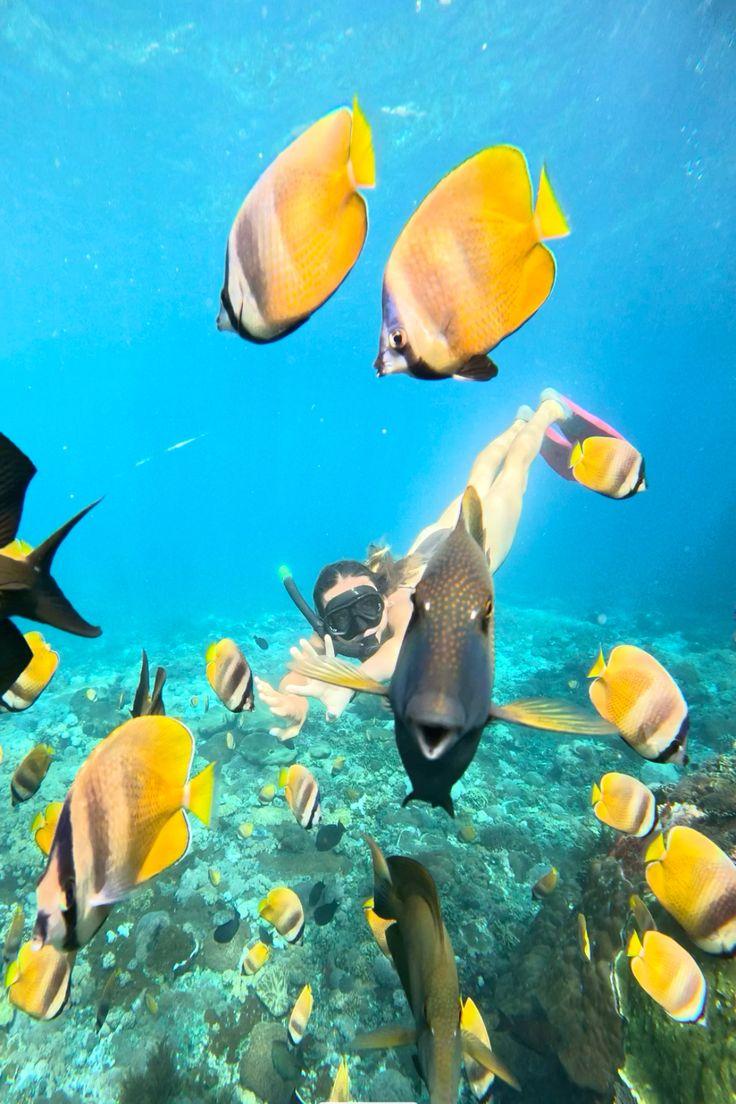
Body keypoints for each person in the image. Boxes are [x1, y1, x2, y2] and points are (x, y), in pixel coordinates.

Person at [254, 389, 628, 737]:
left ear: (382, 596)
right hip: (430, 544)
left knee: (513, 476)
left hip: (475, 549)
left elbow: (398, 649)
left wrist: (348, 687)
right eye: (342, 620)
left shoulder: (400, 610)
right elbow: (298, 672)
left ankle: (546, 411)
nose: (362, 628)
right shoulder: (331, 635)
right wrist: (294, 700)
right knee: (476, 478)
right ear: (327, 623)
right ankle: (517, 422)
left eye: (369, 608)